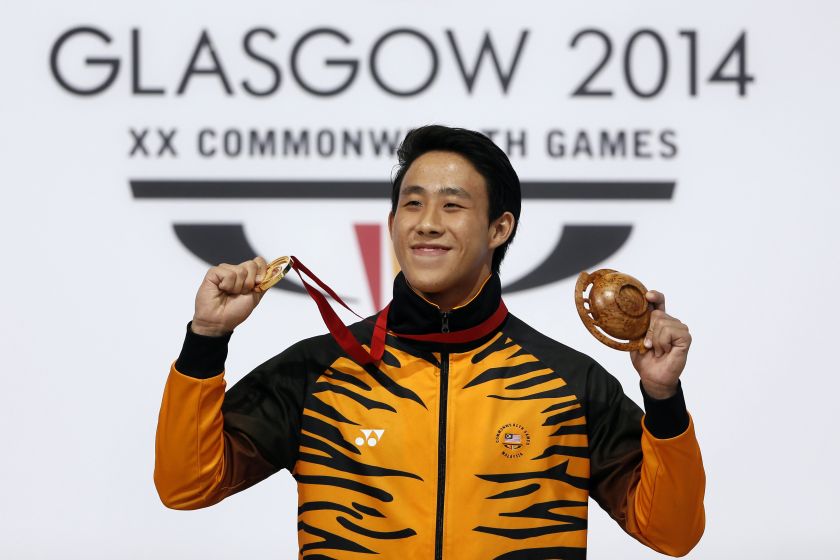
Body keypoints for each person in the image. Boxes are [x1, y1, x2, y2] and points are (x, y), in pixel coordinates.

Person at [154, 125, 705, 559]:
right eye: (412, 205)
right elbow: (185, 485)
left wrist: (663, 399)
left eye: (453, 205)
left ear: (499, 228)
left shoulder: (569, 384)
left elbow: (672, 532)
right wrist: (207, 339)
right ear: (392, 224)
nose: (427, 223)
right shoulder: (318, 370)